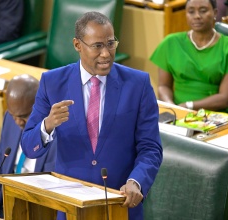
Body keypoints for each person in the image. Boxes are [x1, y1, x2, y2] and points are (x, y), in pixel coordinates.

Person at [21, 11, 163, 220]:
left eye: (111, 44)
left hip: (120, 205)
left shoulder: (138, 84)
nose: (106, 53)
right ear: (77, 45)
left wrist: (137, 181)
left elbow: (151, 147)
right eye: (97, 46)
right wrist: (48, 124)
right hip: (71, 207)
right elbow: (28, 147)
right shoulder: (52, 83)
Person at [150, 0, 228, 114]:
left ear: (215, 13)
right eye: (191, 12)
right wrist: (172, 107)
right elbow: (163, 86)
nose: (197, 16)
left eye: (203, 11)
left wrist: (189, 105)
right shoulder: (171, 42)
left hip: (215, 114)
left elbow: (226, 98)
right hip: (178, 111)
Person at [0, 74, 56, 217]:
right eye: (13, 115)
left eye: (24, 116)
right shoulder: (10, 118)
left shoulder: (58, 134)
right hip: (7, 206)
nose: (18, 122)